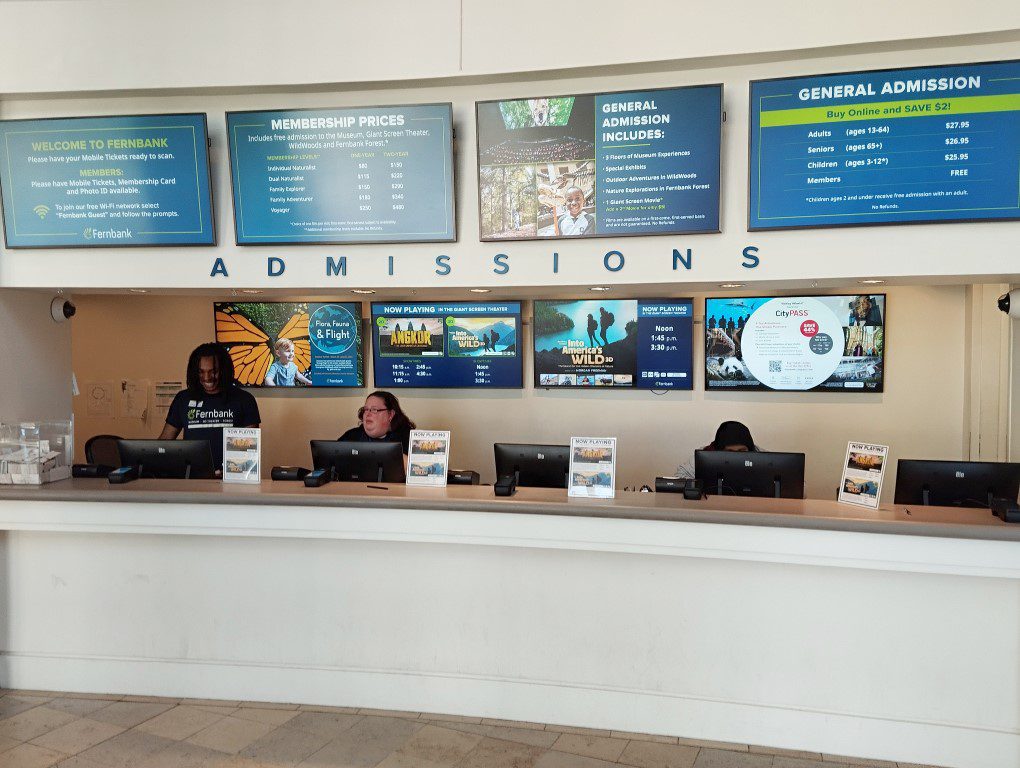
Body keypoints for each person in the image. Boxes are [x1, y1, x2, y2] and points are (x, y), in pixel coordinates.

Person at [159, 342, 261, 472]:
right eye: (201, 372)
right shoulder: (183, 399)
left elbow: (249, 452)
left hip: (233, 482)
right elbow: (164, 443)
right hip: (192, 482)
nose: (207, 378)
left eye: (214, 372)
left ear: (224, 370)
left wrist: (229, 472)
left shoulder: (244, 400)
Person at [338, 391, 416, 454]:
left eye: (374, 410)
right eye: (366, 409)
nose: (368, 414)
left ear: (390, 414)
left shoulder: (410, 440)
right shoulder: (351, 436)